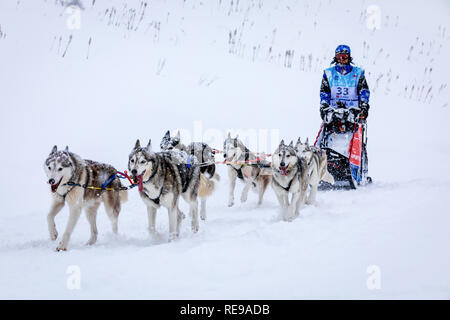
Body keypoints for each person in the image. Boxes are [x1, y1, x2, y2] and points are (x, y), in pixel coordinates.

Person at [319, 44, 370, 128]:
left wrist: (364, 106)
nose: (341, 60)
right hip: (333, 112)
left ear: (349, 57)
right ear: (335, 58)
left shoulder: (358, 73)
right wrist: (324, 106)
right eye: (339, 57)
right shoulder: (329, 74)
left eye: (344, 57)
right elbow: (325, 93)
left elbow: (363, 92)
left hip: (353, 113)